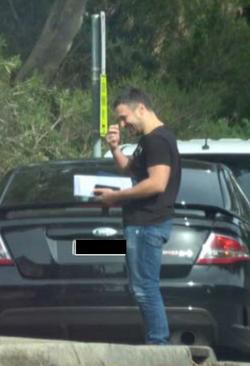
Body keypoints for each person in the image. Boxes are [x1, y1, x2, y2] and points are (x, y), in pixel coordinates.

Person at [93, 87, 181, 345]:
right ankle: (157, 344)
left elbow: (157, 184)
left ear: (141, 108)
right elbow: (127, 169)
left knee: (145, 289)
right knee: (142, 288)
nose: (123, 124)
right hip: (142, 225)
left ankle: (158, 347)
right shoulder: (148, 141)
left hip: (148, 224)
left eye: (124, 117)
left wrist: (115, 197)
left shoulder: (157, 140)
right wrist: (114, 148)